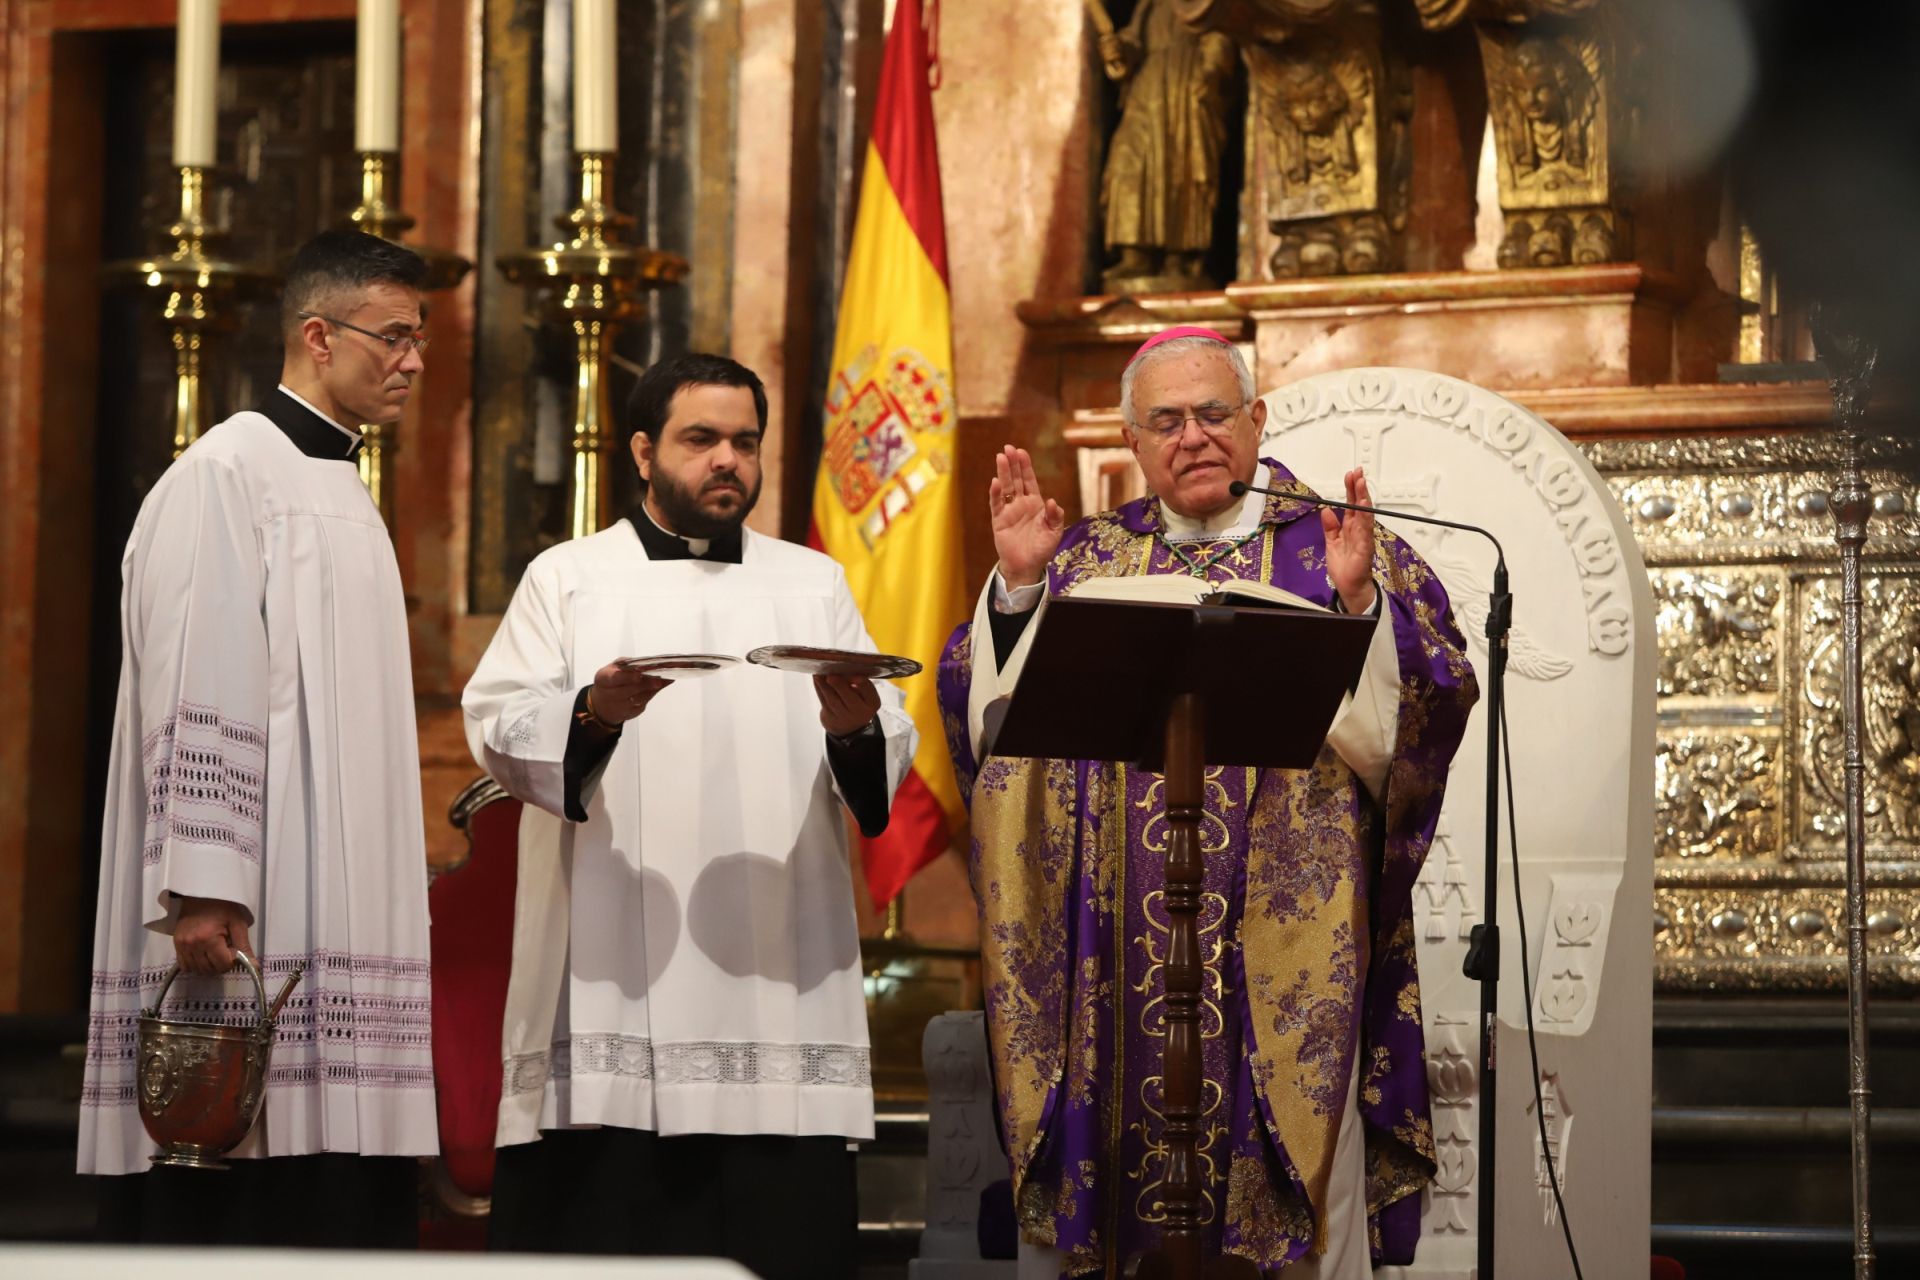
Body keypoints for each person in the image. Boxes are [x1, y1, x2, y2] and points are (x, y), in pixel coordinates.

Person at [935, 327, 1478, 1277]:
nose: (1194, 437)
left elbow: (1430, 708)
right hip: (1115, 950)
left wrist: (1357, 611)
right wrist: (1020, 591)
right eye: (1168, 421)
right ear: (1133, 443)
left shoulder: (1338, 545)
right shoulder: (1088, 556)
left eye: (1215, 413)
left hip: (1288, 946)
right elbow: (991, 736)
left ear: (1258, 420)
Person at [463, 351, 917, 1277]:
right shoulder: (570, 578)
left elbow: (882, 751)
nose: (728, 462)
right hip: (611, 975)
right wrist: (595, 714)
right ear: (642, 450)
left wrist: (856, 730)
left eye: (745, 443)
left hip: (775, 978)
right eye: (701, 439)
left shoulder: (811, 585)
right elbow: (501, 727)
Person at [80, 230, 437, 1247]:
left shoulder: (338, 484)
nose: (412, 360)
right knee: (238, 1180)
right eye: (394, 337)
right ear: (319, 336)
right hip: (248, 905)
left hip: (334, 897)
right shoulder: (227, 473)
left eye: (419, 340)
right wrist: (203, 880)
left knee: (333, 1185)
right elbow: (203, 669)